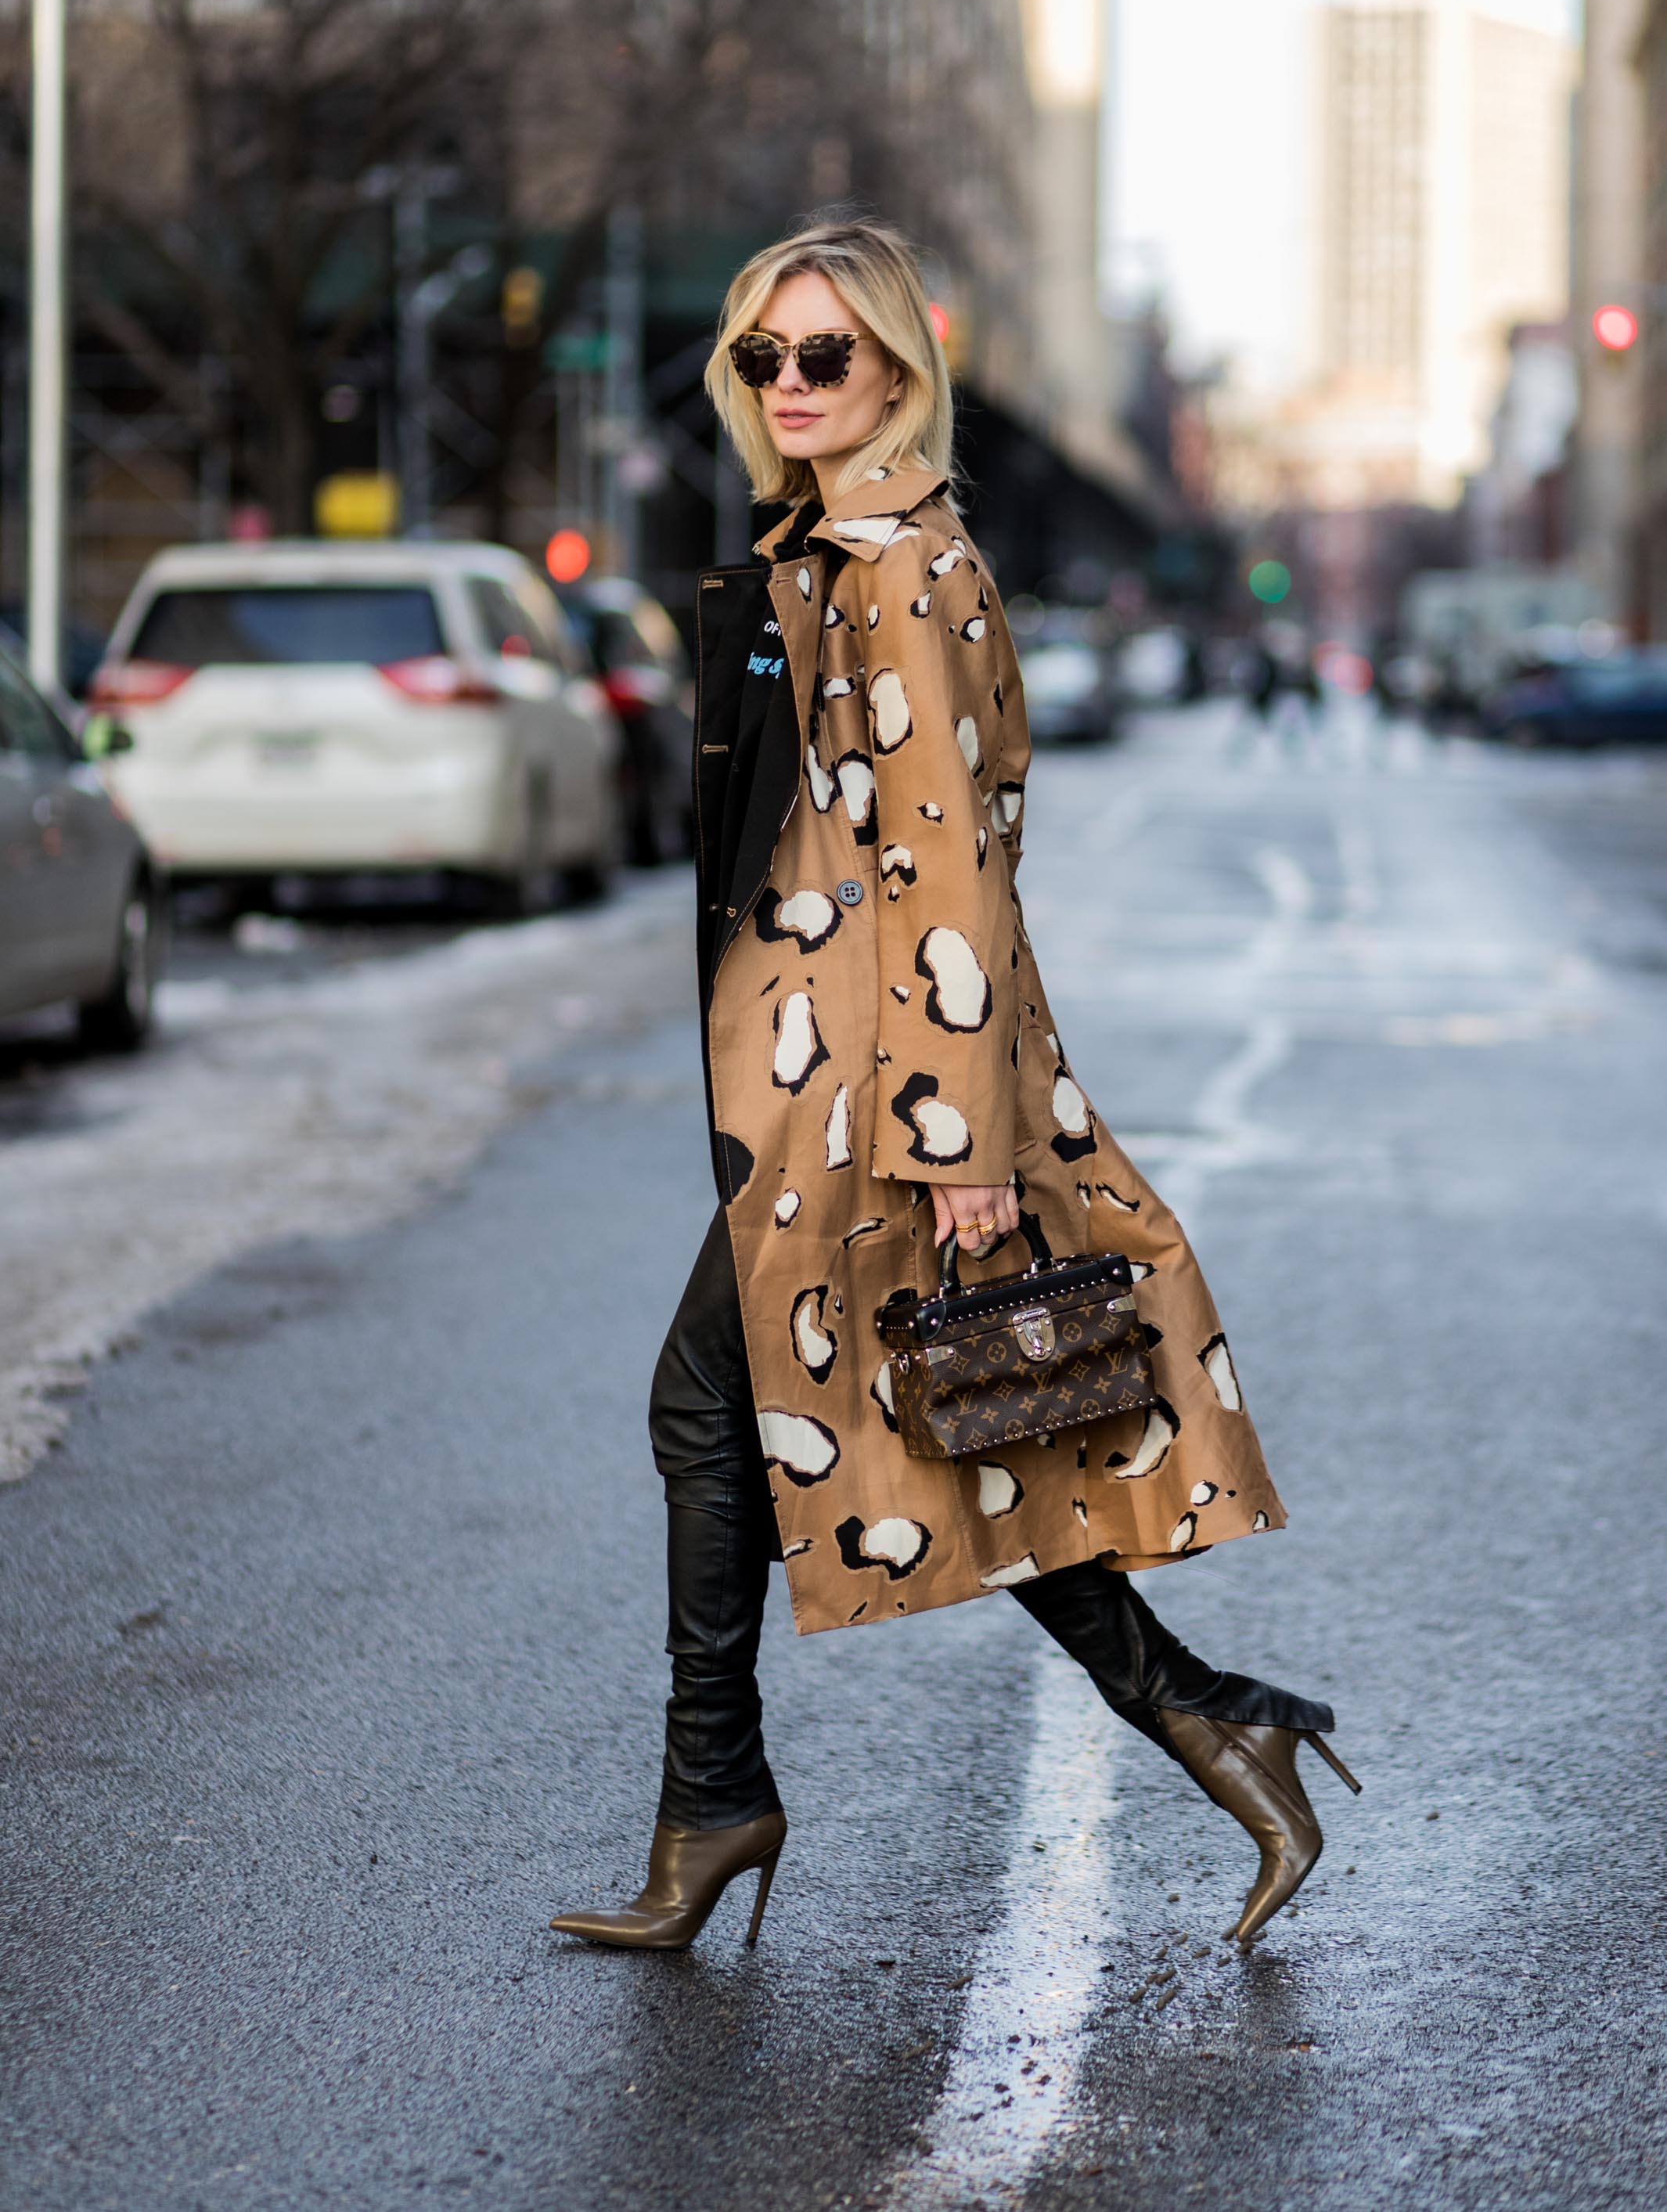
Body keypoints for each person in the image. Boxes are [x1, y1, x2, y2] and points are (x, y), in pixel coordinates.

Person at [551, 218, 1357, 1957]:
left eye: (826, 357)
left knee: (738, 1414)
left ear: (901, 375)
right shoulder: (819, 558)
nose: (788, 386)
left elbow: (948, 865)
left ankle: (717, 1803)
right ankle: (1219, 1728)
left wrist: (960, 1138)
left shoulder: (905, 572)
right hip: (816, 1086)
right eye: (763, 358)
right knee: (972, 1432)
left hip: (872, 1098)